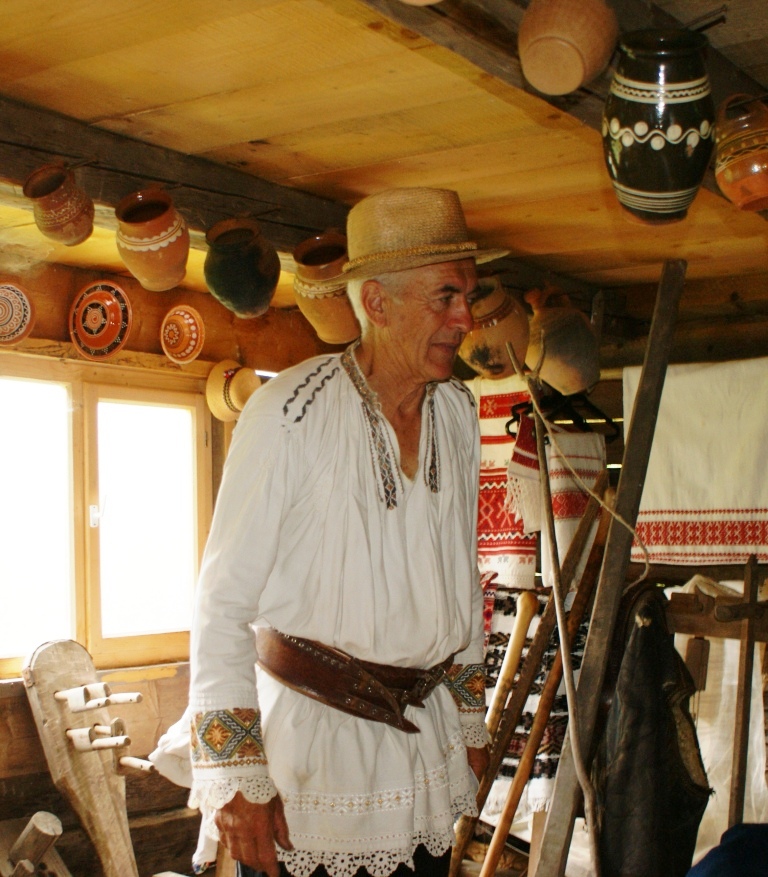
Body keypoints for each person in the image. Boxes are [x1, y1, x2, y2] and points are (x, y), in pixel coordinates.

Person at [188, 187, 508, 877]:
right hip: (312, 764)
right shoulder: (288, 412)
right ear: (377, 303)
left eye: (468, 295)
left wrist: (467, 717)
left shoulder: (458, 410)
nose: (464, 318)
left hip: (422, 749)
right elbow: (221, 601)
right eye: (445, 296)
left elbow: (462, 571)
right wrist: (237, 775)